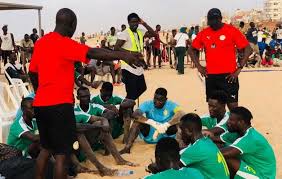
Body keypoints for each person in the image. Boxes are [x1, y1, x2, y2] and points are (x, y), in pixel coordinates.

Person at [28, 8, 141, 179]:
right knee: (61, 155)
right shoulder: (65, 43)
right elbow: (92, 52)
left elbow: (32, 73)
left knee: (45, 149)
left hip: (41, 105)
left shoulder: (41, 43)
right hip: (60, 106)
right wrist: (122, 55)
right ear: (72, 24)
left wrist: (40, 93)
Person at [189, 8, 252, 110]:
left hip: (229, 76)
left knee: (233, 108)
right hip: (211, 76)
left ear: (220, 19)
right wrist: (199, 67)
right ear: (208, 20)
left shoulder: (231, 30)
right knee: (214, 109)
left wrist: (239, 68)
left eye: (216, 20)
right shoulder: (204, 33)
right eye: (211, 20)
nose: (213, 22)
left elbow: (248, 49)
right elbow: (191, 50)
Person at [73, 87, 135, 176]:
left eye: (87, 96)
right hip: (76, 145)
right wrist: (97, 125)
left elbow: (110, 114)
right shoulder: (75, 110)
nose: (86, 99)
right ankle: (100, 166)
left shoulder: (93, 106)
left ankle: (118, 159)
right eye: (83, 97)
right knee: (84, 129)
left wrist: (104, 122)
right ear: (78, 98)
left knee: (101, 124)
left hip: (91, 139)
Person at [120, 88, 184, 154]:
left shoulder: (171, 105)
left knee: (180, 124)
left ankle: (180, 148)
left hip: (165, 135)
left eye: (160, 100)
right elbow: (136, 114)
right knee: (136, 123)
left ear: (165, 99)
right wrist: (153, 123)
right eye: (155, 98)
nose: (156, 101)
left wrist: (166, 125)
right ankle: (127, 147)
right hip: (150, 133)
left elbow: (181, 113)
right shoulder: (148, 104)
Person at [220, 107, 276, 178]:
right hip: (252, 168)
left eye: (231, 120)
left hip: (262, 176)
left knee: (226, 157)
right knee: (220, 146)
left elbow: (223, 153)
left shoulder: (251, 138)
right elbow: (216, 139)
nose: (228, 122)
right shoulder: (237, 133)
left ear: (241, 122)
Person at [115, 13, 157, 100]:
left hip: (138, 64)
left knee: (142, 88)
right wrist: (131, 52)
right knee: (131, 93)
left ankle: (126, 105)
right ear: (128, 23)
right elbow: (116, 48)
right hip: (128, 66)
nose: (135, 24)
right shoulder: (125, 33)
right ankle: (125, 109)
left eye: (136, 22)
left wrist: (144, 23)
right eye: (132, 22)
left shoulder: (140, 31)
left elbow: (154, 34)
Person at [179, 113, 230, 179]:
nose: (180, 134)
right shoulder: (206, 141)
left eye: (182, 131)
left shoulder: (197, 149)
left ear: (189, 131)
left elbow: (171, 164)